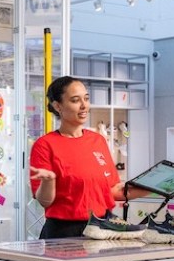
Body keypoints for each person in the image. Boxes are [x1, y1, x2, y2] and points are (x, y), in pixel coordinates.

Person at [29, 76, 145, 239]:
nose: (84, 106)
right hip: (64, 233)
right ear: (58, 106)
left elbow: (113, 190)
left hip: (103, 228)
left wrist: (155, 188)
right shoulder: (45, 145)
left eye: (86, 98)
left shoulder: (97, 140)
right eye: (75, 100)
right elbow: (45, 201)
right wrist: (49, 181)